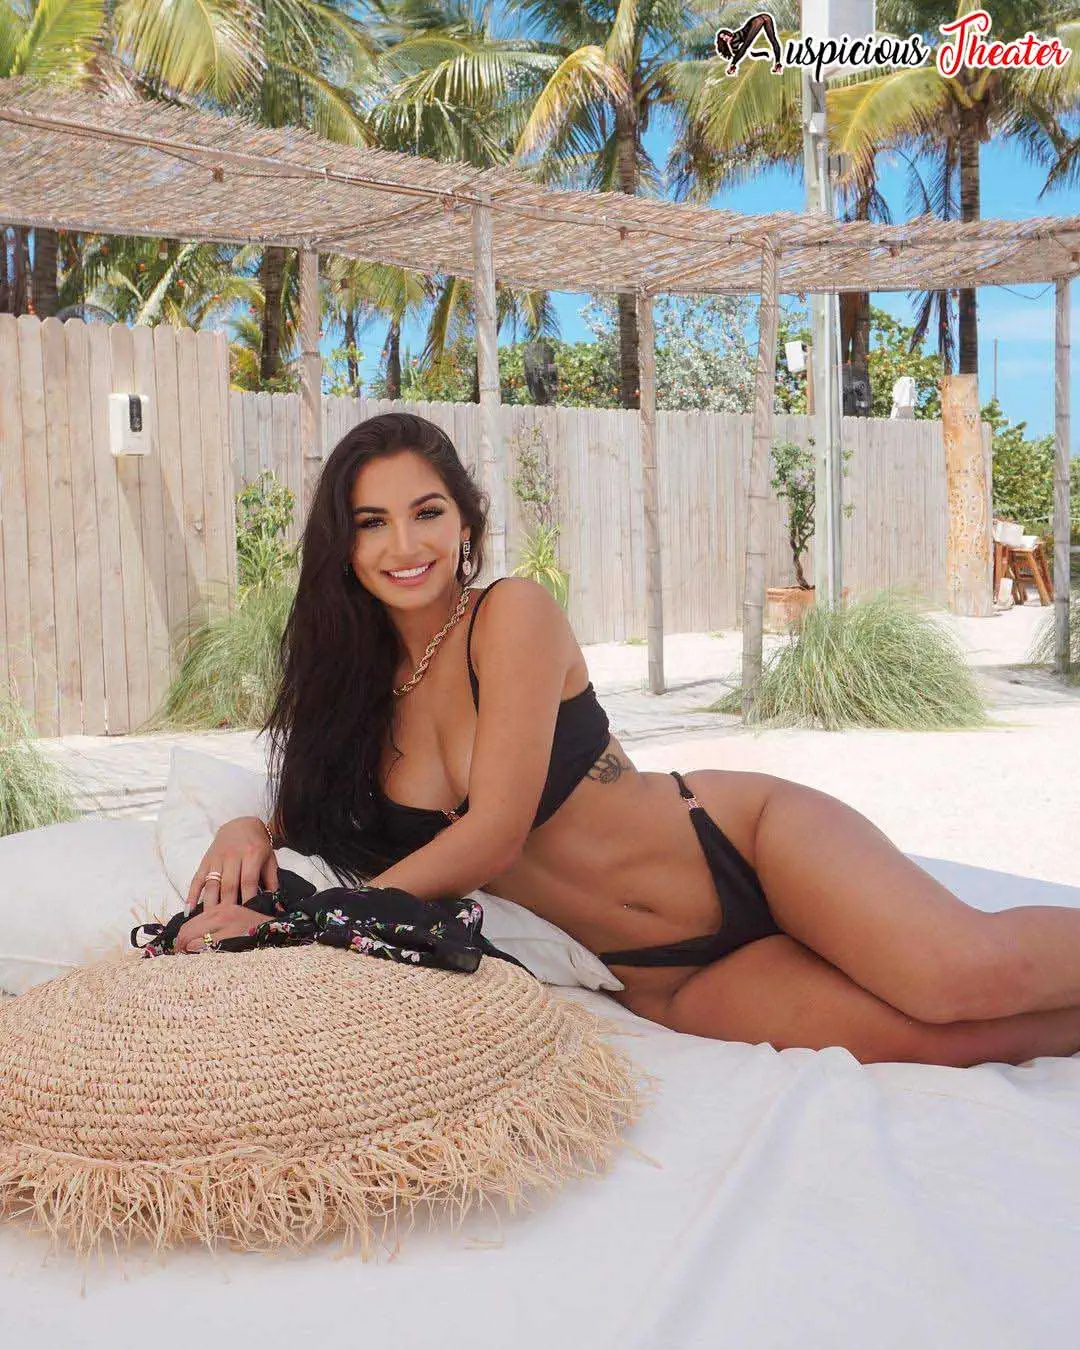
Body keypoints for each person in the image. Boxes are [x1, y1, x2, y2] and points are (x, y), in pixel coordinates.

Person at [177, 413, 1080, 1068]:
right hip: (658, 977)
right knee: (949, 1042)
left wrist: (308, 923)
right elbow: (305, 814)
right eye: (372, 523)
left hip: (739, 846)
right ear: (342, 546)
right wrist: (245, 829)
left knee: (959, 979)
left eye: (427, 512)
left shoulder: (509, 616)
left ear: (466, 524)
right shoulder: (353, 702)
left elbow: (494, 833)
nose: (404, 544)